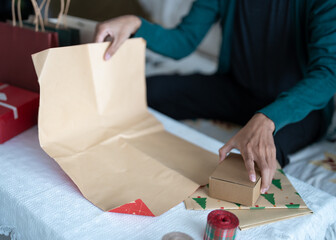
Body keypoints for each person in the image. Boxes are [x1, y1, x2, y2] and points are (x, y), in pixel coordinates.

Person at [94, 0, 336, 194]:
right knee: (146, 90)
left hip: (294, 110)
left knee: (254, 164)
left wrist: (268, 117)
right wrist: (136, 24)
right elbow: (184, 41)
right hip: (236, 90)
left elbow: (327, 74)